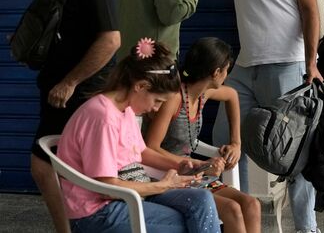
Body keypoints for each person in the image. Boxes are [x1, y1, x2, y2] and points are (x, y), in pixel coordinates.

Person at [57, 40, 220, 232]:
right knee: (189, 222)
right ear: (141, 86)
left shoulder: (125, 110)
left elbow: (141, 152)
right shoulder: (103, 117)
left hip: (132, 192)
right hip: (98, 212)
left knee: (201, 200)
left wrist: (181, 164)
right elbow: (106, 186)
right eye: (157, 101)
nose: (156, 109)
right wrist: (163, 186)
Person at [219, 0, 322, 231]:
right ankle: (241, 218)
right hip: (244, 63)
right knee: (225, 142)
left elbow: (310, 7)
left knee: (294, 154)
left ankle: (307, 227)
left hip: (286, 62)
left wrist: (311, 62)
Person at [26, 0, 121, 232]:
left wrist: (70, 82)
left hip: (78, 95)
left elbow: (111, 40)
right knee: (58, 169)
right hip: (58, 92)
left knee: (45, 166)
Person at [143, 37, 261, 233]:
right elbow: (150, 148)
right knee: (232, 209)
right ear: (216, 72)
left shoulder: (202, 94)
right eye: (226, 70)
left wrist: (236, 143)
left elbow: (232, 96)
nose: (227, 76)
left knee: (252, 205)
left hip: (193, 176)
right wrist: (201, 166)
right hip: (167, 178)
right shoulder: (174, 99)